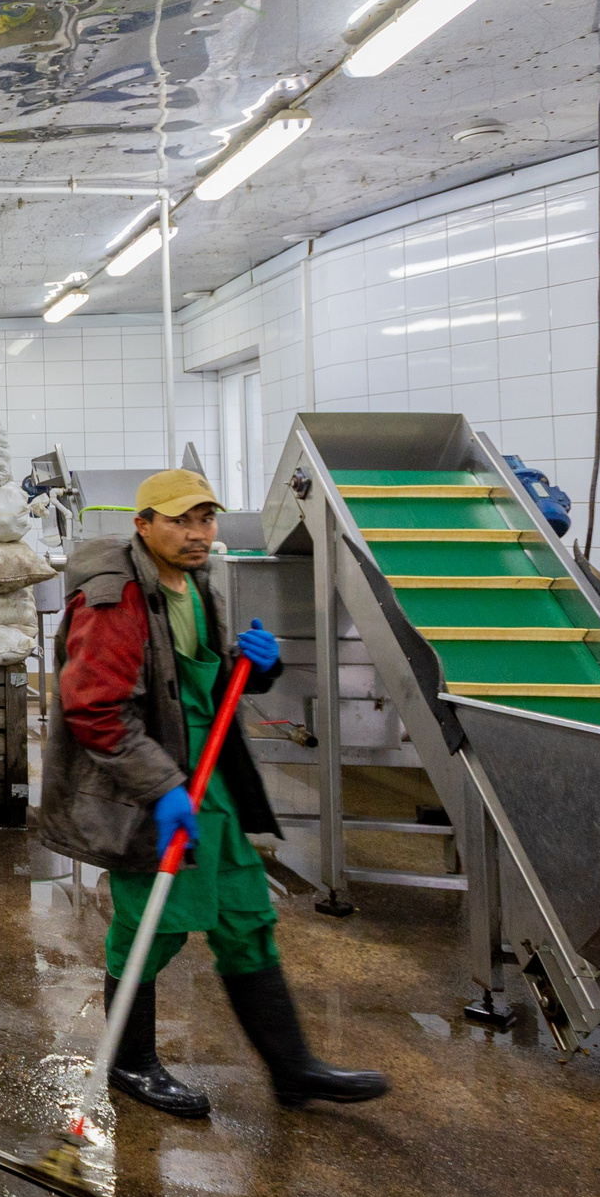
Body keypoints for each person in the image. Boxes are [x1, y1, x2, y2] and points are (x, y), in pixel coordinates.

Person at [35, 468, 387, 1118]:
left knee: (246, 916)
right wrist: (165, 788)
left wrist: (259, 664)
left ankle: (292, 1068)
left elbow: (205, 682)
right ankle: (132, 1062)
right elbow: (96, 712)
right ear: (144, 525)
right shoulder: (115, 596)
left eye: (205, 518)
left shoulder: (194, 583)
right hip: (145, 787)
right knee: (151, 924)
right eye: (180, 520)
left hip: (211, 780)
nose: (198, 533)